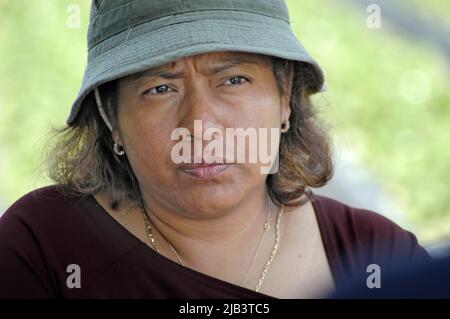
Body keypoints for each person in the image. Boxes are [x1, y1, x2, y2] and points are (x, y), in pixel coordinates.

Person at [0, 0, 430, 299]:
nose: (200, 126)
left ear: (285, 99)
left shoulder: (378, 255)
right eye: (160, 88)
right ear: (112, 119)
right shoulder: (42, 249)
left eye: (234, 80)